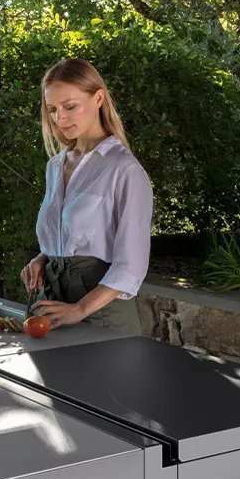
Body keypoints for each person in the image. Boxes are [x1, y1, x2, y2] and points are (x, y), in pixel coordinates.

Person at [20, 58, 153, 333]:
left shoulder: (125, 169)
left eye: (70, 106)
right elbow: (71, 236)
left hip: (102, 316)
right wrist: (43, 259)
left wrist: (79, 309)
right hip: (53, 307)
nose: (60, 118)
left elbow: (131, 266)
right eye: (52, 109)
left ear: (98, 98)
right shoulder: (55, 167)